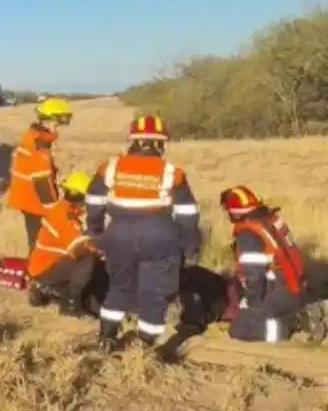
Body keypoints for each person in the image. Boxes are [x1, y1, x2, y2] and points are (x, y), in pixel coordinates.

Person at [86, 115, 202, 353]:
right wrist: (190, 246)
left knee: (119, 287)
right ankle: (144, 346)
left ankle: (106, 337)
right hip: (160, 235)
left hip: (118, 234)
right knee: (155, 293)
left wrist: (96, 231)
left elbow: (94, 201)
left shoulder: (110, 167)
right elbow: (187, 214)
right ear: (160, 143)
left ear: (132, 141)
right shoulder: (172, 172)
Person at [220, 185, 306, 343]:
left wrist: (253, 304)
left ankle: (294, 323)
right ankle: (298, 313)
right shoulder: (269, 220)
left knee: (239, 330)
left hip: (278, 289)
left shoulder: (248, 234)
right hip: (295, 285)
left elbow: (255, 276)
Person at [27, 171, 101, 316]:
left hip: (50, 265)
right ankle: (70, 306)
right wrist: (101, 249)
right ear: (81, 197)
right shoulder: (65, 217)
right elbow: (79, 250)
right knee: (87, 262)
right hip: (47, 267)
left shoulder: (63, 208)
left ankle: (48, 290)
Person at [7, 97, 74, 251]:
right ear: (49, 122)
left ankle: (35, 271)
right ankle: (36, 273)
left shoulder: (31, 138)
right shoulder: (40, 149)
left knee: (36, 242)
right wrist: (57, 213)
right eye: (58, 125)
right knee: (42, 245)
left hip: (26, 201)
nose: (58, 130)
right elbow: (43, 185)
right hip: (34, 203)